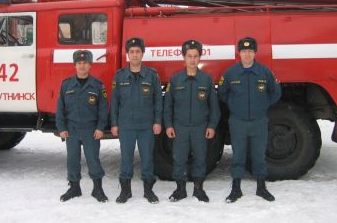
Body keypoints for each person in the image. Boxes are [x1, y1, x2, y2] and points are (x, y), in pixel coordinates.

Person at [218, 37, 281, 203]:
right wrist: (234, 105)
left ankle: (261, 187)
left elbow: (275, 92)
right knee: (238, 155)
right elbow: (222, 93)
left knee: (259, 155)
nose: (247, 54)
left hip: (258, 121)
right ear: (239, 53)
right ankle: (236, 189)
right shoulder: (231, 73)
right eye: (244, 51)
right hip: (238, 121)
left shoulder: (264, 72)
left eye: (250, 51)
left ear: (255, 53)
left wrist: (263, 105)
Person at [163, 40, 221, 202]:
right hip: (180, 127)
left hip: (200, 127)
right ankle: (180, 189)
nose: (192, 60)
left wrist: (212, 126)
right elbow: (168, 106)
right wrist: (168, 125)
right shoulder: (175, 80)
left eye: (196, 56)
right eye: (189, 56)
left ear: (200, 57)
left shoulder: (206, 80)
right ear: (184, 57)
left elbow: (214, 107)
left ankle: (198, 189)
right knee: (179, 159)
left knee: (200, 158)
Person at [111, 37, 163, 204]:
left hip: (146, 126)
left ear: (142, 54)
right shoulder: (120, 76)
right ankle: (125, 192)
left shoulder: (152, 75)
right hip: (126, 126)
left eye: (138, 52)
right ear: (127, 54)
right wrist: (114, 124)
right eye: (131, 52)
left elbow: (158, 101)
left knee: (147, 159)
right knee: (126, 159)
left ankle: (149, 192)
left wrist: (157, 121)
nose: (135, 55)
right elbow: (115, 103)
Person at [56, 50, 109, 202]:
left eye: (85, 63)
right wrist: (61, 128)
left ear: (90, 65)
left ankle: (97, 189)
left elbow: (103, 109)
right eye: (79, 63)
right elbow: (60, 108)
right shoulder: (66, 85)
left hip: (90, 130)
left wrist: (100, 128)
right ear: (75, 65)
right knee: (72, 159)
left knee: (93, 159)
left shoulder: (98, 85)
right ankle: (74, 188)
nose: (82, 66)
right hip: (71, 130)